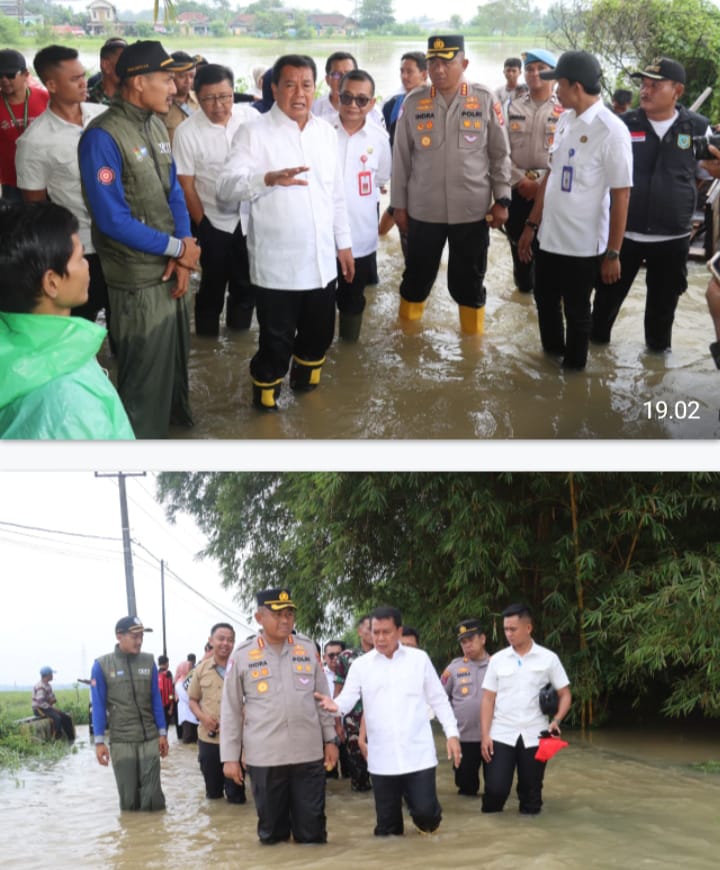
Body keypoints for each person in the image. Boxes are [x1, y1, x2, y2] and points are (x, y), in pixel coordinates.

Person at [216, 54, 353, 411]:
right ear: (274, 88)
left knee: (320, 337)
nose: (299, 93)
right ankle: (265, 409)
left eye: (306, 85)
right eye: (289, 84)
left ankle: (308, 405)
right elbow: (225, 188)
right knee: (275, 344)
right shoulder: (254, 132)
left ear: (316, 88)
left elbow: (335, 194)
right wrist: (266, 179)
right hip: (277, 267)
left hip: (322, 263)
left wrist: (345, 245)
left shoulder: (326, 132)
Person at [78, 40, 200, 438]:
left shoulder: (155, 123)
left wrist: (184, 247)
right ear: (137, 81)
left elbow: (174, 192)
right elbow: (112, 219)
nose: (175, 87)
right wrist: (178, 249)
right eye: (167, 79)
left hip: (172, 270)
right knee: (143, 387)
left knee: (175, 376)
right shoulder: (102, 137)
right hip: (137, 282)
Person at [518, 50, 633, 370]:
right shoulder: (566, 120)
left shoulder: (611, 131)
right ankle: (550, 366)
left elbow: (621, 195)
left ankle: (573, 378)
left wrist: (613, 253)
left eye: (559, 84)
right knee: (544, 303)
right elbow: (552, 176)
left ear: (576, 86)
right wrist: (531, 225)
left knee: (578, 314)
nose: (554, 89)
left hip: (583, 247)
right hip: (550, 239)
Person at [391, 35, 512, 335]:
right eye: (433, 62)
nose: (439, 69)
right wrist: (399, 207)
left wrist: (503, 200)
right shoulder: (414, 101)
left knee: (469, 282)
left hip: (470, 213)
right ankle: (407, 341)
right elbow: (401, 160)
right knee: (416, 279)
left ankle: (472, 349)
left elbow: (500, 154)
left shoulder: (485, 99)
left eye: (447, 62)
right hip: (423, 211)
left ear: (465, 63)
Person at [591, 58, 708, 353]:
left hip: (672, 241)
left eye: (655, 85)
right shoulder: (622, 125)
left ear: (677, 90)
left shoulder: (697, 128)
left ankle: (655, 382)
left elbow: (704, 176)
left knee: (661, 319)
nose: (645, 91)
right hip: (624, 237)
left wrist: (674, 202)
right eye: (643, 84)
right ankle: (590, 374)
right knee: (602, 311)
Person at [316, 606, 461, 837]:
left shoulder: (419, 659)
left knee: (427, 817)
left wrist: (452, 735)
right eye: (376, 632)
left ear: (399, 631)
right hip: (382, 758)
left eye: (386, 632)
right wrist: (336, 706)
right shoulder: (362, 666)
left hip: (418, 754)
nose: (380, 638)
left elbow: (439, 700)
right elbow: (348, 698)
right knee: (388, 828)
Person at [0, 201, 134, 439]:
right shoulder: (69, 406)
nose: (88, 267)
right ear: (52, 282)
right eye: (81, 257)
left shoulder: (22, 349)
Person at [220, 588, 338, 845]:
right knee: (272, 835)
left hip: (308, 755)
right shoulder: (242, 655)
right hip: (265, 759)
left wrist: (330, 740)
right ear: (259, 617)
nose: (285, 620)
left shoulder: (307, 649)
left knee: (313, 833)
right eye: (278, 615)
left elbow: (322, 698)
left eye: (289, 614)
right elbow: (229, 708)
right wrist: (230, 757)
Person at [16, 45, 110, 326]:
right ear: (52, 85)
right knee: (78, 323)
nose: (84, 83)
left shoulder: (104, 116)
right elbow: (35, 208)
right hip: (81, 249)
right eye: (74, 79)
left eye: (84, 75)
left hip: (122, 240)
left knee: (126, 322)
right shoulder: (35, 142)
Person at [173, 63, 257, 336]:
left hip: (249, 221)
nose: (219, 105)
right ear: (197, 97)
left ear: (234, 93)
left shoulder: (250, 119)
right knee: (212, 287)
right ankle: (207, 342)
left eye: (225, 96)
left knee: (246, 285)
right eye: (209, 98)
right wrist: (204, 226)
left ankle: (239, 337)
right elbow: (185, 184)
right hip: (213, 222)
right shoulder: (187, 132)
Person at [480, 603, 571, 815]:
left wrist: (556, 720)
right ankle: (491, 834)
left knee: (531, 793)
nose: (508, 634)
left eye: (513, 629)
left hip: (535, 733)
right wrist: (485, 735)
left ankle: (531, 840)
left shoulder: (548, 658)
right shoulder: (498, 660)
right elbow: (487, 699)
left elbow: (565, 694)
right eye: (505, 629)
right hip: (501, 733)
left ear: (528, 628)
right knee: (495, 789)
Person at [333, 69, 391, 342]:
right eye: (347, 97)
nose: (353, 105)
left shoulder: (379, 139)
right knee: (316, 300)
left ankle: (348, 351)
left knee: (352, 299)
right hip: (320, 236)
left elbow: (381, 179)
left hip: (360, 236)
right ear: (336, 96)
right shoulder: (318, 131)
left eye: (361, 100)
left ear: (372, 102)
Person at [91, 616, 168, 812]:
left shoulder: (148, 661)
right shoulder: (102, 665)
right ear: (119, 636)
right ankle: (133, 838)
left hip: (149, 737)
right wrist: (99, 742)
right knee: (129, 799)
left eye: (141, 636)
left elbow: (156, 700)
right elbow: (98, 705)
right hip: (122, 740)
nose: (139, 641)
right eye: (134, 636)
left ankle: (153, 836)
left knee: (152, 797)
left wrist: (162, 733)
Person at [504, 48, 561, 295]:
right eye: (529, 69)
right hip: (518, 192)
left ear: (554, 74)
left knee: (549, 254)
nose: (534, 73)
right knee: (520, 253)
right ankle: (524, 295)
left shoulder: (566, 111)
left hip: (551, 193)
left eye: (541, 68)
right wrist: (520, 181)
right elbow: (499, 151)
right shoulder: (511, 107)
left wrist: (539, 183)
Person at [188, 622, 246, 804]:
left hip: (236, 741)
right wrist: (203, 718)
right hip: (209, 740)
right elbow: (192, 700)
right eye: (221, 638)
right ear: (211, 640)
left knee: (237, 795)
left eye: (230, 640)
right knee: (213, 795)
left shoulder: (242, 668)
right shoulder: (201, 669)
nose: (225, 643)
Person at [441, 619, 489, 796]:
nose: (467, 645)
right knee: (466, 789)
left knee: (495, 787)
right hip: (463, 738)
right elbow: (439, 699)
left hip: (493, 737)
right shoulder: (453, 668)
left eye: (471, 640)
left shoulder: (497, 665)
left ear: (482, 639)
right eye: (463, 642)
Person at [0, 49, 48, 201]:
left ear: (26, 74)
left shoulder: (45, 98)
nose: (4, 80)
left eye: (10, 75)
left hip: (45, 177)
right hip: (11, 181)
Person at [333, 614, 374, 791]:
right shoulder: (347, 657)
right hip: (354, 721)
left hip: (382, 719)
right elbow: (338, 690)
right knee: (359, 771)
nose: (374, 633)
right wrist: (337, 723)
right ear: (360, 632)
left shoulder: (388, 655)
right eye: (370, 629)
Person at [382, 51, 428, 148]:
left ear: (424, 75)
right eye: (402, 71)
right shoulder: (391, 105)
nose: (404, 76)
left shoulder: (436, 103)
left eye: (409, 72)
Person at [163, 51, 199, 143]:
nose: (188, 81)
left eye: (192, 76)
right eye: (182, 76)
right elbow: (159, 141)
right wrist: (166, 156)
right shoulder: (161, 105)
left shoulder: (200, 100)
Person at [31, 666, 75, 741]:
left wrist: (52, 702)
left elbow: (52, 699)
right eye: (51, 674)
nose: (52, 676)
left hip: (47, 707)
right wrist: (52, 708)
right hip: (39, 709)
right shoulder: (40, 686)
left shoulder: (48, 685)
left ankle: (71, 738)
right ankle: (56, 738)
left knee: (67, 717)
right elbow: (41, 702)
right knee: (57, 718)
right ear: (48, 675)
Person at [87, 37, 127, 106]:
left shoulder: (136, 99)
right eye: (124, 62)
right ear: (105, 65)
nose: (129, 67)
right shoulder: (86, 101)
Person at [174, 659, 198, 742]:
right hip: (186, 715)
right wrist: (197, 701)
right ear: (183, 669)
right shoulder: (179, 683)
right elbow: (186, 697)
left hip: (194, 713)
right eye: (189, 668)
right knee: (188, 737)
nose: (191, 670)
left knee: (195, 738)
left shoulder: (190, 681)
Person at [157, 654, 175, 728]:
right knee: (165, 727)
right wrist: (171, 706)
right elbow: (170, 692)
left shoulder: (156, 674)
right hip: (166, 706)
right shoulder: (168, 674)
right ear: (166, 663)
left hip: (158, 705)